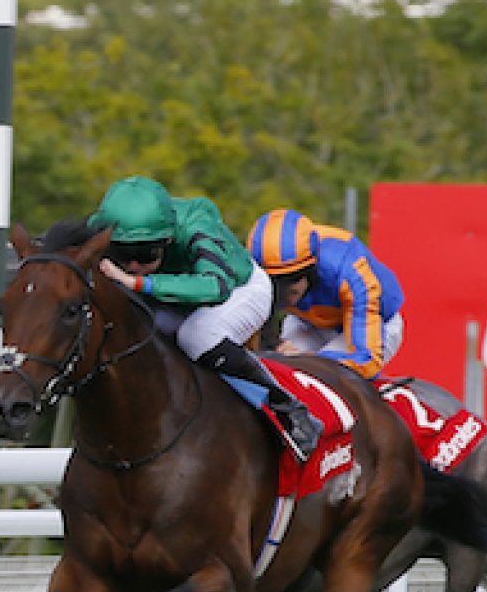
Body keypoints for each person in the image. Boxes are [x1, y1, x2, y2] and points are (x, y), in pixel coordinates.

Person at [91, 176, 324, 462]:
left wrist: (138, 284)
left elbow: (215, 287)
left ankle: (289, 408)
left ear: (168, 238)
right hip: (176, 292)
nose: (134, 265)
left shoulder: (196, 225)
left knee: (196, 336)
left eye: (145, 253)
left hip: (237, 289)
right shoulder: (102, 226)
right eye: (121, 254)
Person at [248, 208, 406, 379]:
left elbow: (366, 361)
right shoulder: (251, 278)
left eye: (291, 278)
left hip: (374, 327)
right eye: (273, 281)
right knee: (281, 372)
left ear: (311, 268)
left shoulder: (351, 273)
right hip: (307, 322)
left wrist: (309, 359)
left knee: (317, 375)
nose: (283, 291)